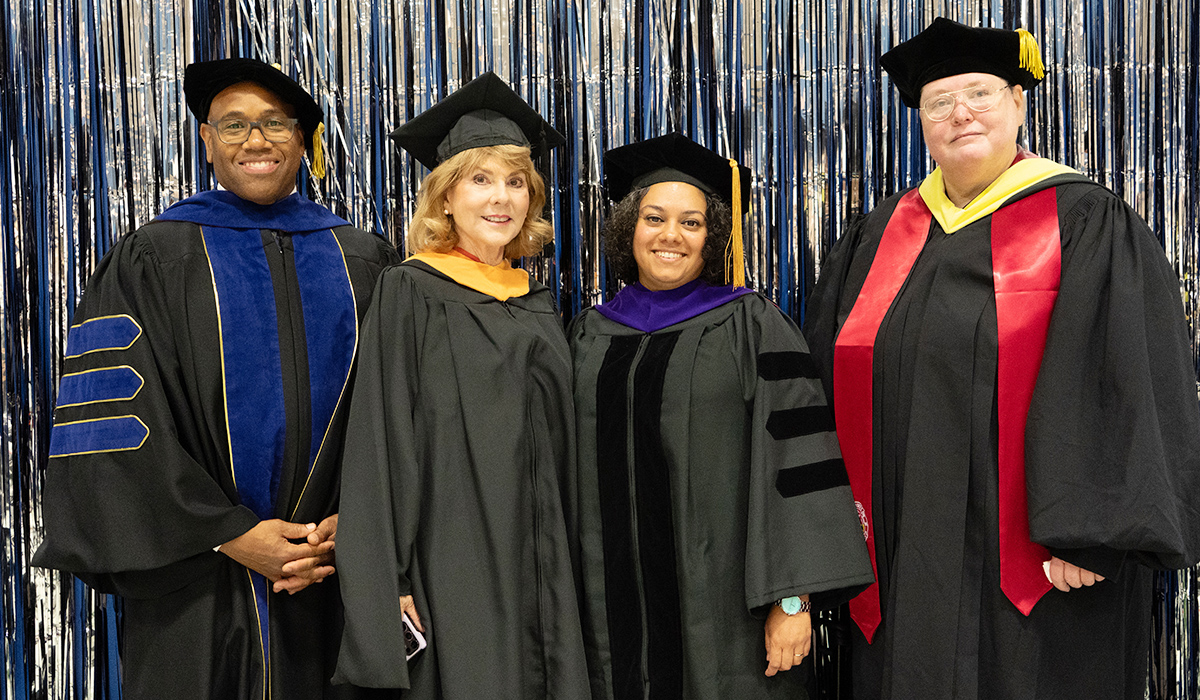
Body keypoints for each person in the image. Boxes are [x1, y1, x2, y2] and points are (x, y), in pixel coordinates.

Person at [803, 18, 1200, 699]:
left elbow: (1123, 376)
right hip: (900, 552)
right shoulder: (877, 236)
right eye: (939, 102)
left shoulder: (1083, 221)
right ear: (921, 123)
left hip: (1043, 568)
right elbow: (824, 384)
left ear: (1018, 103)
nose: (960, 113)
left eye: (980, 93)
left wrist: (1090, 534)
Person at [31, 58, 400, 699]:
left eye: (275, 123)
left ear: (303, 141)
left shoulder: (364, 259)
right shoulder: (153, 258)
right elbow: (114, 427)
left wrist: (354, 523)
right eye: (233, 125)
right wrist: (228, 534)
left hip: (333, 577)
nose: (256, 140)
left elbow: (397, 412)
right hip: (194, 583)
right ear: (206, 140)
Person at [569, 132, 874, 700]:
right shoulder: (589, 334)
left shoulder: (751, 325)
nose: (671, 235)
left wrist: (793, 601)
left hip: (729, 615)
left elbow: (798, 464)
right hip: (608, 613)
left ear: (711, 238)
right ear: (628, 229)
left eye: (691, 223)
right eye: (654, 218)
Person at [331, 71, 591, 699]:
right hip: (452, 560)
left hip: (546, 558)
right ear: (445, 196)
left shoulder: (536, 302)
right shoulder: (410, 291)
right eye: (480, 179)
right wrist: (388, 580)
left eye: (516, 182)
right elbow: (382, 440)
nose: (501, 198)